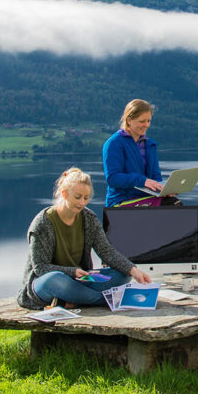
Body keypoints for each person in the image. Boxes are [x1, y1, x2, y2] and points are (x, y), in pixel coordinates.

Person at [17, 168, 151, 310]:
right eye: (77, 197)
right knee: (54, 279)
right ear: (64, 194)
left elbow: (107, 251)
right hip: (47, 283)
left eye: (86, 198)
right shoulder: (43, 223)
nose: (82, 202)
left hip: (80, 280)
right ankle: (106, 300)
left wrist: (132, 269)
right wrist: (72, 272)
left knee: (122, 275)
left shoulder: (89, 218)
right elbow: (40, 267)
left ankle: (73, 301)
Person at [102, 99, 163, 207]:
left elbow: (155, 176)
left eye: (148, 121)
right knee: (170, 209)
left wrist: (162, 189)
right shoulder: (113, 143)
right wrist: (141, 180)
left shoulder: (150, 145)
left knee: (175, 204)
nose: (146, 125)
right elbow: (113, 178)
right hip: (121, 201)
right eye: (142, 121)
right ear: (129, 120)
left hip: (148, 198)